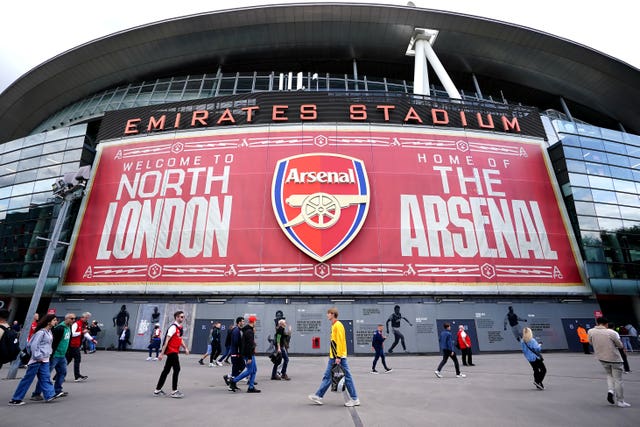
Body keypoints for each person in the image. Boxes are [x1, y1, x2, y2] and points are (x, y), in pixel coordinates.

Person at [308, 307, 360, 407]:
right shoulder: (334, 325)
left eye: (328, 313)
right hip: (334, 356)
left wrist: (338, 357)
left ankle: (354, 399)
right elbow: (334, 343)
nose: (327, 315)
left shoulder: (338, 325)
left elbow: (340, 342)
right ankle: (318, 396)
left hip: (338, 357)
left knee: (347, 377)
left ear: (332, 314)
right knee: (327, 376)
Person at [8, 314, 63, 405]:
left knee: (45, 378)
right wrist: (37, 356)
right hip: (37, 360)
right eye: (54, 320)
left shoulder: (48, 332)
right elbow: (32, 345)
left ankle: (49, 395)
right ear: (48, 322)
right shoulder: (40, 333)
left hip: (44, 359)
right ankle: (16, 399)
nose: (55, 322)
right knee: (28, 379)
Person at [30, 313, 75, 400]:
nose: (73, 320)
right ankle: (36, 393)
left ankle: (57, 390)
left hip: (62, 355)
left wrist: (67, 353)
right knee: (45, 375)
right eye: (72, 318)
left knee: (62, 372)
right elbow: (53, 342)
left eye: (74, 319)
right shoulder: (59, 328)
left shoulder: (69, 328)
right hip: (55, 355)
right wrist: (51, 354)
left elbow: (68, 341)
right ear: (66, 319)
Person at [588, 317, 630, 407]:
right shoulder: (611, 332)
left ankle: (610, 391)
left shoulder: (591, 331)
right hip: (614, 358)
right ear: (606, 324)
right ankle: (620, 401)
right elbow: (620, 345)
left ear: (597, 322)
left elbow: (591, 342)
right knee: (618, 379)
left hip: (601, 357)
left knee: (609, 375)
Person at [154, 310, 190, 398]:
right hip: (171, 351)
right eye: (181, 317)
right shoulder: (173, 327)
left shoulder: (179, 328)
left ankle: (157, 390)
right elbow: (166, 341)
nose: (182, 318)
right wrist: (161, 353)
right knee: (177, 369)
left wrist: (185, 348)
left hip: (174, 351)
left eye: (183, 317)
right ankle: (174, 391)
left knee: (166, 371)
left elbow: (180, 339)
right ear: (176, 317)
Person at [228, 316, 260, 393]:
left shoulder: (248, 330)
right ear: (253, 322)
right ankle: (233, 381)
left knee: (254, 370)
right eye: (255, 321)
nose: (256, 322)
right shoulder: (249, 332)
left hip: (249, 353)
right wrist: (249, 357)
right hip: (249, 354)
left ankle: (251, 387)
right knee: (249, 371)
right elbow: (249, 345)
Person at [66, 312, 96, 382]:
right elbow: (72, 334)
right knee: (77, 360)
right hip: (73, 345)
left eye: (88, 318)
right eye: (87, 318)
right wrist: (81, 332)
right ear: (83, 317)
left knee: (68, 360)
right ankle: (77, 376)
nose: (87, 319)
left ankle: (57, 376)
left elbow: (85, 333)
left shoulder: (83, 324)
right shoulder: (76, 324)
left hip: (76, 345)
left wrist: (92, 340)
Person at [223, 317, 245, 390]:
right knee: (238, 368)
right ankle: (231, 384)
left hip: (237, 353)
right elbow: (236, 342)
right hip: (236, 353)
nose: (243, 322)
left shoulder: (239, 330)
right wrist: (239, 351)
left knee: (240, 367)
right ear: (239, 322)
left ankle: (231, 380)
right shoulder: (236, 330)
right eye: (242, 321)